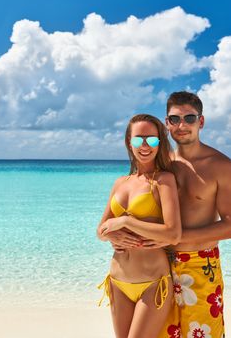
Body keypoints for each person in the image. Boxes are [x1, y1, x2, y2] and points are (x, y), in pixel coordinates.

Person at [109, 91, 231, 337]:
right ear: (166, 124)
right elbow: (138, 205)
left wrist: (176, 237)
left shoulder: (220, 165)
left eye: (189, 118)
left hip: (199, 265)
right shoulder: (162, 165)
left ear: (202, 121)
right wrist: (118, 235)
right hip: (158, 266)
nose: (182, 125)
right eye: (175, 119)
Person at [97, 114, 182, 338]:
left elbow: (173, 233)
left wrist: (126, 221)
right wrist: (111, 237)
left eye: (152, 140)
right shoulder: (120, 182)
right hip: (118, 281)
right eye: (138, 140)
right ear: (128, 142)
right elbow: (100, 230)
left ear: (160, 143)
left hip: (152, 284)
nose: (145, 146)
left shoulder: (164, 180)